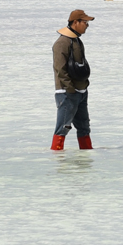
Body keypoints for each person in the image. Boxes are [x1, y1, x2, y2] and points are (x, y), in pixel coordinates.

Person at [51, 9, 95, 151]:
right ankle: (57, 157)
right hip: (67, 92)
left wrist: (84, 87)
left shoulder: (76, 40)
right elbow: (60, 69)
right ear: (75, 22)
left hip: (81, 91)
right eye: (85, 22)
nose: (87, 25)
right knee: (63, 128)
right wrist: (70, 89)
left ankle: (87, 157)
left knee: (84, 127)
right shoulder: (61, 43)